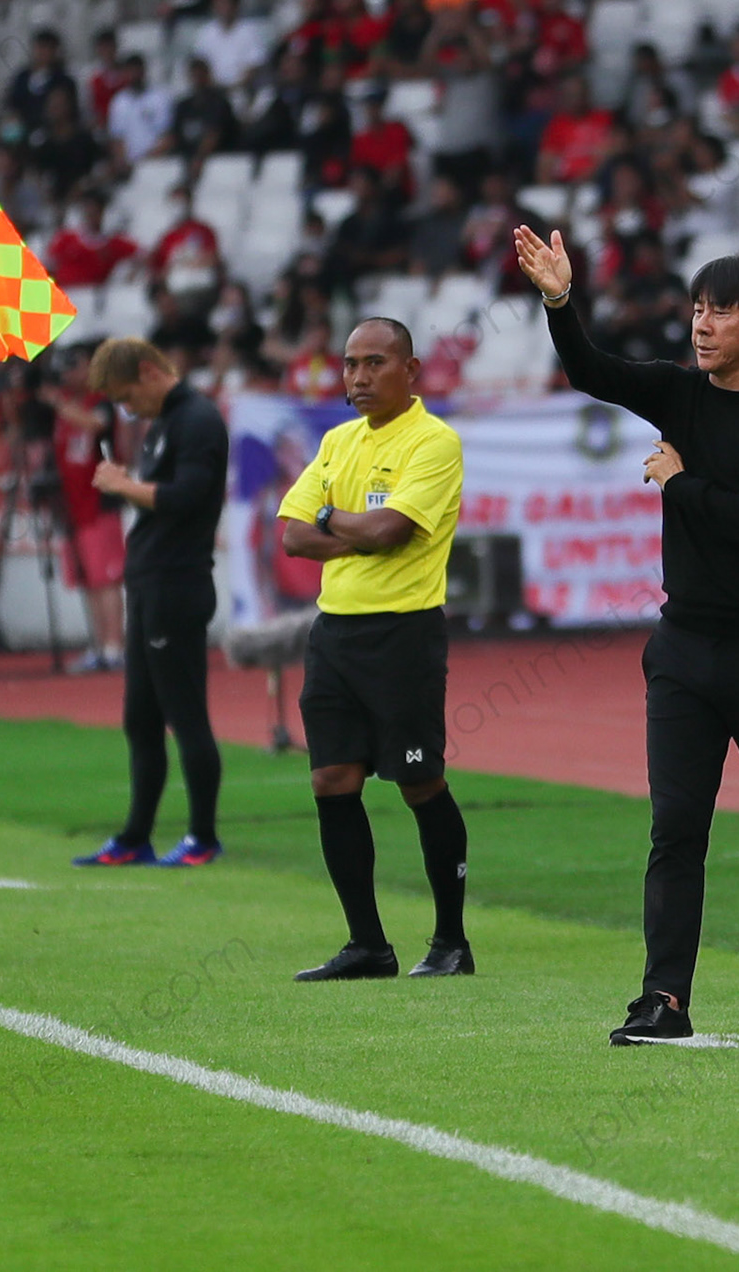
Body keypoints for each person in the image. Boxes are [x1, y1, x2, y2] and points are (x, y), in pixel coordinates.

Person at [514, 226, 739, 1046]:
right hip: (683, 651)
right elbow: (591, 370)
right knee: (675, 830)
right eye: (697, 308)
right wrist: (561, 300)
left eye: (721, 311)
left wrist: (680, 485)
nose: (701, 324)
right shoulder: (678, 392)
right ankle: (663, 1001)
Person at [276, 318, 473, 981]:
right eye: (350, 364)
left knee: (420, 783)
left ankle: (451, 941)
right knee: (332, 780)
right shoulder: (336, 440)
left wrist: (333, 516)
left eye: (375, 363)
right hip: (333, 633)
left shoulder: (434, 442)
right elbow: (291, 537)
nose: (358, 377)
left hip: (403, 633)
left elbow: (389, 529)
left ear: (410, 371)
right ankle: (368, 945)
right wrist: (349, 529)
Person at [73, 339, 229, 868]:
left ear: (147, 372)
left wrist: (125, 485)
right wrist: (131, 486)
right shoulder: (166, 422)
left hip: (176, 585)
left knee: (186, 716)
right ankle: (135, 836)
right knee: (140, 719)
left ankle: (203, 836)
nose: (125, 409)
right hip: (149, 584)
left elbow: (187, 496)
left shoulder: (198, 420)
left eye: (125, 396)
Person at [47, 351, 127, 672]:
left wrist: (58, 404)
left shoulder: (101, 402)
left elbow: (95, 425)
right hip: (72, 506)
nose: (67, 374)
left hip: (100, 503)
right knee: (88, 580)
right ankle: (99, 644)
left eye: (74, 366)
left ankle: (114, 646)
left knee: (106, 578)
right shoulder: (64, 405)